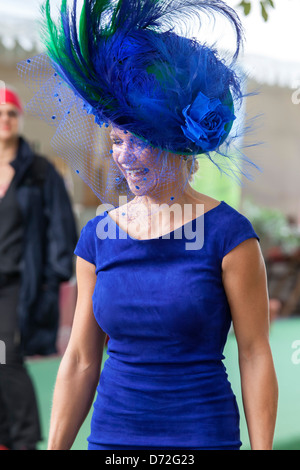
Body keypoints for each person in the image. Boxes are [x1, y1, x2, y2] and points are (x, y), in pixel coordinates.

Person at [21, 0, 278, 450]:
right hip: (112, 440)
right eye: (117, 140)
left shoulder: (229, 236)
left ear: (175, 143)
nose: (123, 156)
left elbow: (254, 353)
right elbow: (81, 358)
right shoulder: (98, 238)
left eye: (138, 141)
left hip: (203, 439)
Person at [0, 86, 78, 450]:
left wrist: (54, 278)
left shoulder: (38, 171)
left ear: (20, 120)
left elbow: (62, 227)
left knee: (6, 356)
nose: (5, 119)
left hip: (19, 282)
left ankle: (25, 438)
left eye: (11, 113)